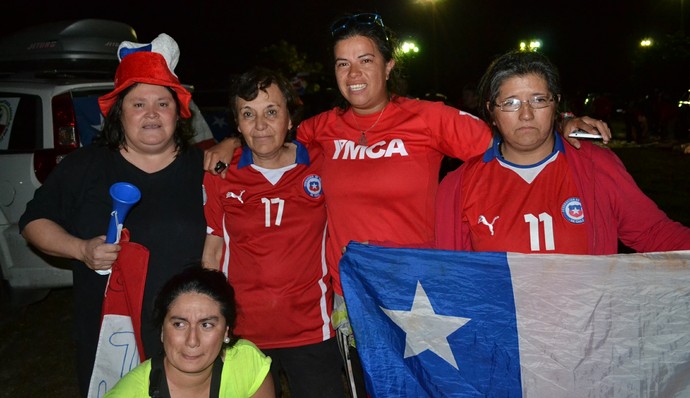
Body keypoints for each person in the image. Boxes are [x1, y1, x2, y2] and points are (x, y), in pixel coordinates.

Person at [204, 13, 611, 395]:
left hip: (419, 294)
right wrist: (232, 142)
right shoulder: (321, 128)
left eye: (365, 60)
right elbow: (270, 135)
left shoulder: (428, 118)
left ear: (388, 65)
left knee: (422, 388)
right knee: (366, 388)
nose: (354, 73)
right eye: (342, 63)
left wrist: (560, 122)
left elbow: (511, 139)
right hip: (354, 297)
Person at [19, 34, 207, 396]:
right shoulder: (84, 167)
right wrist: (80, 249)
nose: (151, 113)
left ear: (178, 112)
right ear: (119, 112)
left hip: (190, 340)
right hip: (110, 341)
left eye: (162, 103)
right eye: (138, 103)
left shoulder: (202, 168)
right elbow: (33, 221)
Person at [435, 50, 690, 253]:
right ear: (491, 111)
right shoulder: (459, 186)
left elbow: (653, 233)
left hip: (586, 318)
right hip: (506, 319)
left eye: (538, 99)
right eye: (510, 103)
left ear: (555, 104)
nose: (526, 114)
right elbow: (452, 277)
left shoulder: (595, 165)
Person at [202, 67, 344, 397]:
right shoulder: (221, 174)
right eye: (248, 115)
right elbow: (212, 250)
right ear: (237, 124)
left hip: (312, 330)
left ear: (290, 119)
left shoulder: (322, 163)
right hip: (243, 332)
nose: (261, 125)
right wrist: (211, 320)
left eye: (271, 111)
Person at [104, 266, 274, 397]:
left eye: (206, 325)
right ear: (162, 331)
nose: (192, 341)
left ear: (226, 332)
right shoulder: (129, 393)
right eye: (179, 324)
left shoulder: (245, 363)